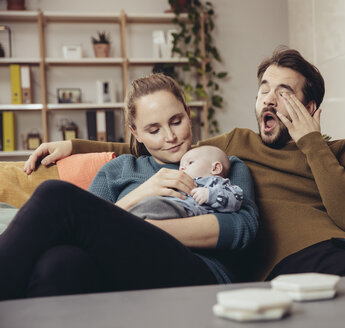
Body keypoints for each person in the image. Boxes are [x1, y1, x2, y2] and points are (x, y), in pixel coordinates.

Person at [23, 47, 345, 321]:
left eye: (284, 92)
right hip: (299, 267)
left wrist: (310, 139)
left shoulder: (340, 151)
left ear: (311, 108)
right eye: (265, 87)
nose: (270, 97)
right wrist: (76, 147)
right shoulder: (234, 145)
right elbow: (157, 146)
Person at [0, 73, 258, 300]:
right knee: (59, 263)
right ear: (136, 133)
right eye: (154, 129)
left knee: (55, 195)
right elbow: (81, 230)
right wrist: (142, 192)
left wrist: (144, 229)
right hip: (118, 275)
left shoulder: (222, 164)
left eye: (176, 121)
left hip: (198, 273)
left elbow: (241, 229)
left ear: (189, 116)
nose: (170, 137)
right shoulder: (118, 170)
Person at [123, 145, 243, 220]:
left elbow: (236, 200)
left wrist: (209, 195)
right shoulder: (179, 179)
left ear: (215, 168)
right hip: (169, 207)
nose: (182, 168)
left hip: (187, 210)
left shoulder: (216, 182)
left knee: (151, 205)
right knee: (147, 206)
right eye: (181, 165)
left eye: (190, 163)